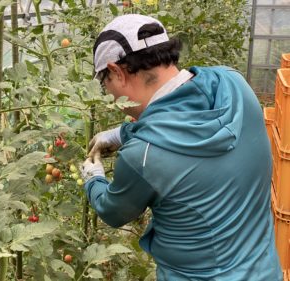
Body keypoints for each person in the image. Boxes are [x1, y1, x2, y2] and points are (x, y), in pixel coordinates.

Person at [80, 14, 283, 281]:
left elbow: (113, 210)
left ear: (117, 72)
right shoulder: (234, 84)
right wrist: (122, 133)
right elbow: (183, 121)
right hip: (265, 271)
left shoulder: (142, 156)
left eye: (106, 85)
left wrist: (93, 178)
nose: (111, 96)